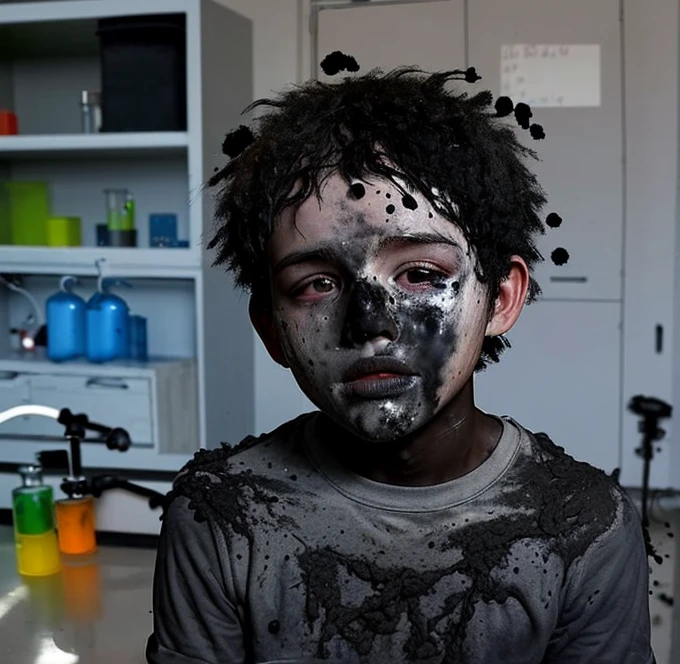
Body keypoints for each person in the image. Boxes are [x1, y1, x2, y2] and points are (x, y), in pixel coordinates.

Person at [146, 66, 654, 664]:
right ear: (271, 329)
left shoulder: (585, 526)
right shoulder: (220, 516)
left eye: (421, 275)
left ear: (502, 298)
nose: (369, 324)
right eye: (316, 285)